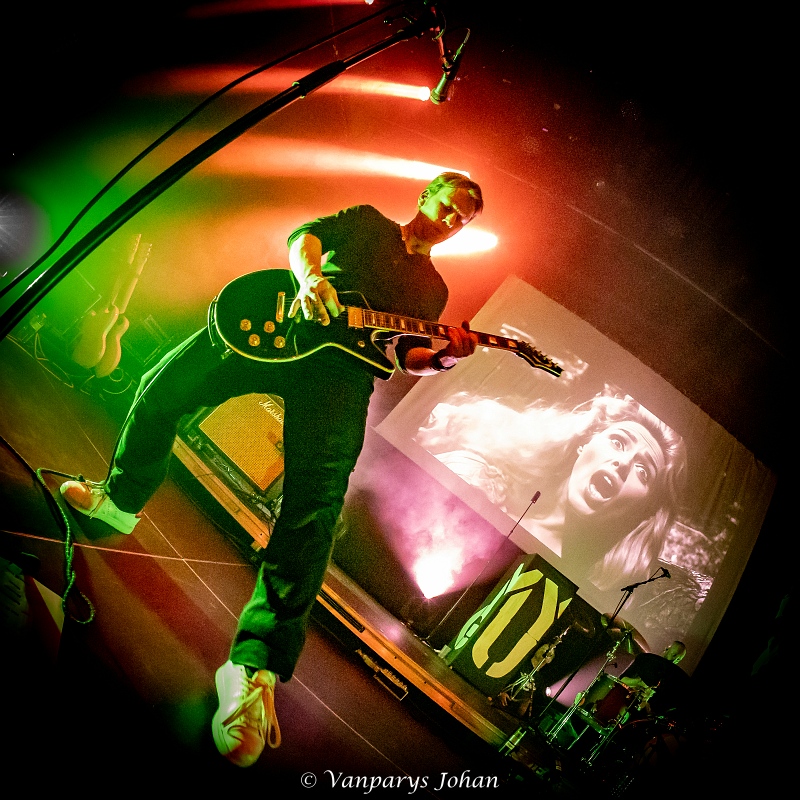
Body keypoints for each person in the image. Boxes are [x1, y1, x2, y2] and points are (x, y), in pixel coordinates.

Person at [59, 172, 484, 767]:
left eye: (466, 219)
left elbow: (408, 354)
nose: (455, 219)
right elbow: (305, 236)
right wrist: (311, 280)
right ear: (426, 196)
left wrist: (444, 358)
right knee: (162, 391)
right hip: (283, 328)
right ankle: (120, 501)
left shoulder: (432, 289)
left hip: (340, 375)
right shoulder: (367, 222)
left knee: (315, 510)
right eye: (452, 204)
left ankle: (253, 667)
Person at [415, 388, 688, 593]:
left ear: (641, 511)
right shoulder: (476, 474)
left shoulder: (571, 585)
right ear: (584, 444)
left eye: (643, 471)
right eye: (618, 442)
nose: (624, 463)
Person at [619, 640, 688, 718]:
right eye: (674, 655)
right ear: (667, 649)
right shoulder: (647, 661)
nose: (674, 660)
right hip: (623, 701)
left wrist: (647, 704)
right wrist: (639, 682)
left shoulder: (670, 682)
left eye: (678, 659)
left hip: (638, 715)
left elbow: (658, 710)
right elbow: (621, 680)